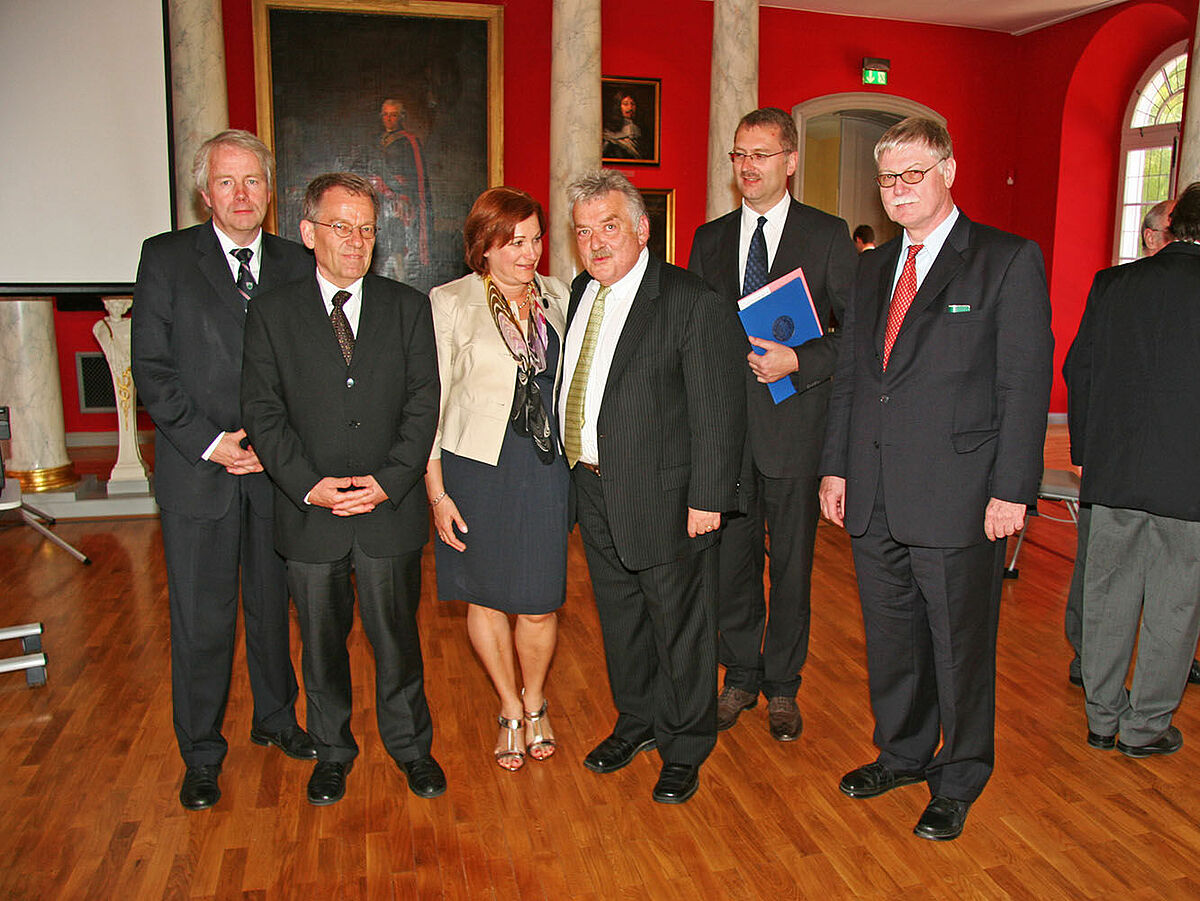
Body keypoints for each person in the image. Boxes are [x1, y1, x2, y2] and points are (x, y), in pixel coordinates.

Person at [818, 117, 1052, 841]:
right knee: (891, 639)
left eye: (912, 174)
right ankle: (902, 753)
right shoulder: (871, 268)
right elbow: (854, 378)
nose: (897, 189)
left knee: (958, 647)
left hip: (961, 494)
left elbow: (1023, 384)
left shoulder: (1004, 260)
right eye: (888, 177)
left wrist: (1012, 489)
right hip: (874, 490)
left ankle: (962, 773)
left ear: (948, 170)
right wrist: (836, 466)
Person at [241, 172, 445, 805]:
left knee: (397, 641)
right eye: (341, 227)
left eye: (366, 229)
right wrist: (310, 487)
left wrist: (388, 483)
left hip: (388, 511)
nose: (356, 240)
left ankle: (412, 749)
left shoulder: (407, 307)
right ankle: (331, 752)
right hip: (311, 514)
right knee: (321, 646)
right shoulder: (272, 313)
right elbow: (262, 412)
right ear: (308, 233)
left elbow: (423, 405)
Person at [131, 129, 316, 812]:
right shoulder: (166, 258)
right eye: (226, 182)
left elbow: (313, 365)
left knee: (273, 610)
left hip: (275, 472)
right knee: (201, 621)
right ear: (204, 193)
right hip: (198, 472)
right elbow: (152, 369)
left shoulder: (297, 263)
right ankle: (202, 753)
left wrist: (278, 444)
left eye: (253, 181)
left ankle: (277, 719)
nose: (241, 195)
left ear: (270, 190)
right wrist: (213, 443)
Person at [562, 169, 745, 804]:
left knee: (681, 628)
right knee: (621, 620)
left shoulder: (692, 300)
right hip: (594, 487)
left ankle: (686, 744)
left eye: (609, 227)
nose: (595, 243)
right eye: (583, 231)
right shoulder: (582, 291)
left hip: (669, 498)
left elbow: (718, 409)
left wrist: (708, 499)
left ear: (643, 230)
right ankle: (637, 720)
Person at [689, 107, 857, 742]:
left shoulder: (827, 235)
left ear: (790, 161)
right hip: (726, 437)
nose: (748, 166)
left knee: (790, 570)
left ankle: (784, 685)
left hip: (796, 433)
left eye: (760, 154)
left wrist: (800, 360)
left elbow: (857, 336)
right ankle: (739, 676)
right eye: (739, 154)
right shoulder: (708, 239)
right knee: (731, 568)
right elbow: (694, 335)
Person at [424, 187, 570, 771]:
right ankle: (510, 706)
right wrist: (437, 493)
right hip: (475, 468)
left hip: (544, 467)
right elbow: (431, 404)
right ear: (484, 245)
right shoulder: (450, 302)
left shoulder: (558, 295)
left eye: (535, 240)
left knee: (538, 602)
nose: (528, 253)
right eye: (514, 242)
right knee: (484, 596)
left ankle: (537, 699)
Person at [1062, 182, 1200, 759]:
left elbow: (1078, 369)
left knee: (1106, 594)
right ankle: (1145, 728)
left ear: (1173, 226)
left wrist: (1085, 450)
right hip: (1189, 479)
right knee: (1175, 605)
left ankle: (1101, 718)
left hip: (1114, 471)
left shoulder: (1113, 284)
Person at [370, 98, 432, 284]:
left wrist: (398, 190)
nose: (389, 119)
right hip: (382, 201)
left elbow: (417, 176)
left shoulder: (409, 141)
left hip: (401, 201)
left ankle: (401, 280)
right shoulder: (378, 141)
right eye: (386, 115)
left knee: (399, 245)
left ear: (401, 117)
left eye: (393, 115)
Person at [602, 91, 643, 160]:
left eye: (632, 104)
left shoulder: (639, 129)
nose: (630, 108)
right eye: (625, 104)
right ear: (618, 106)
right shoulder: (609, 130)